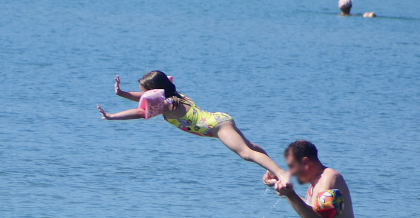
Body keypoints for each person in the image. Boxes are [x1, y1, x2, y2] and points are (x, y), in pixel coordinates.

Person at [97, 71, 285, 177]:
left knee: (246, 153)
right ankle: (272, 171)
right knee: (250, 146)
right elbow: (143, 99)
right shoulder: (173, 96)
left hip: (217, 127)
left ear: (154, 93)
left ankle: (280, 173)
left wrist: (112, 116)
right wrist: (121, 93)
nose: (143, 97)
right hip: (220, 118)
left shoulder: (166, 105)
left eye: (146, 94)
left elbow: (140, 112)